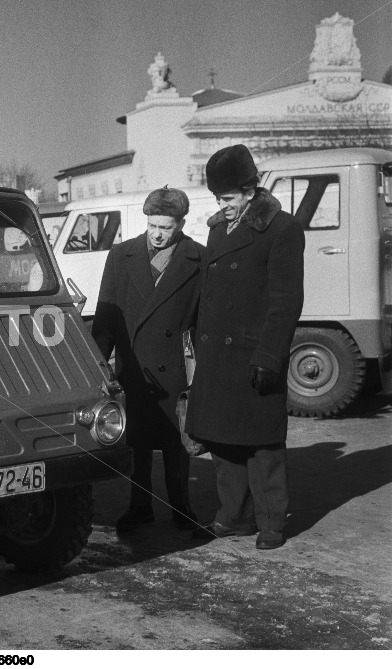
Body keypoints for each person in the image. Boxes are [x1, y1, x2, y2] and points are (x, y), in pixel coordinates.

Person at [186, 144, 304, 550]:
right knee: (223, 442)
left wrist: (270, 354)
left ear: (251, 190)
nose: (223, 206)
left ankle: (271, 520)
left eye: (229, 198)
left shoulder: (283, 228)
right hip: (218, 354)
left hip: (255, 353)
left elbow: (286, 300)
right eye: (218, 198)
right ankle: (233, 515)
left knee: (263, 444)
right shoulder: (218, 229)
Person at [92, 186, 204, 532]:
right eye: (153, 225)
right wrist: (97, 364)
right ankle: (139, 505)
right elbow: (106, 318)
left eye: (166, 227)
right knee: (136, 439)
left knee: (176, 440)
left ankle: (181, 506)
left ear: (181, 224)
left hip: (173, 366)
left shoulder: (197, 258)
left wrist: (203, 372)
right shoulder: (121, 255)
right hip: (134, 367)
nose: (157, 234)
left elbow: (203, 323)